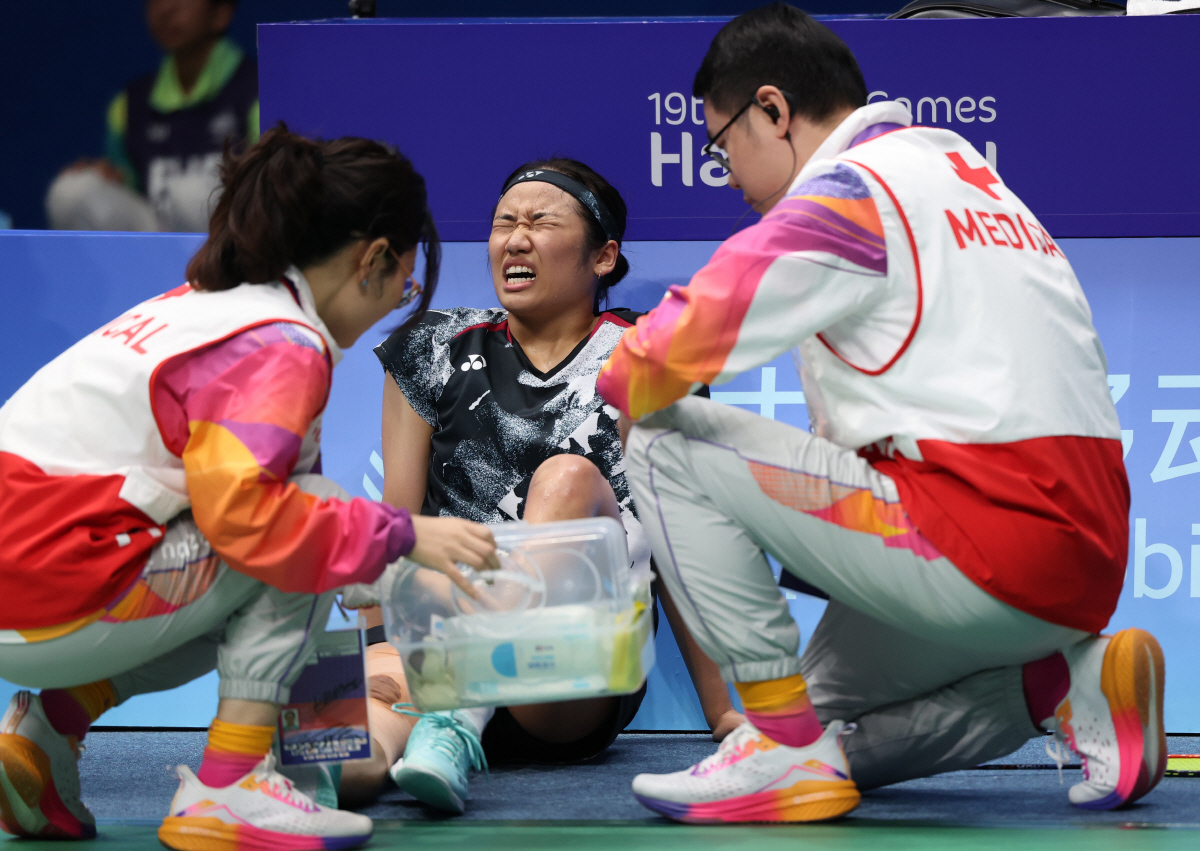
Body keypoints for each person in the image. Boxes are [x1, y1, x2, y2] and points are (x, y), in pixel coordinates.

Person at [597, 4, 1165, 824]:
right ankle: (1065, 683)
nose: (728, 177)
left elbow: (668, 347)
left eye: (722, 148)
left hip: (972, 538)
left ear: (772, 110)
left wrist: (624, 382)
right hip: (1081, 567)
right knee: (823, 723)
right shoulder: (968, 178)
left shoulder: (854, 190)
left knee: (662, 438)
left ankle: (781, 747)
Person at [0, 125, 500, 850]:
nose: (400, 298)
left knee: (296, 547)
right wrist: (406, 535)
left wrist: (387, 568)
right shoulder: (279, 344)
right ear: (372, 260)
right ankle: (229, 788)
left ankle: (44, 735)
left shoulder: (205, 308)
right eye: (406, 284)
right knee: (310, 526)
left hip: (38, 580)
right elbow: (253, 519)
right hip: (48, 581)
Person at [338, 158, 743, 812]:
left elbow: (678, 538)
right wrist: (382, 654)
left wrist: (726, 712)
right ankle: (381, 747)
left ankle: (458, 719)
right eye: (504, 223)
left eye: (541, 222)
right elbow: (398, 524)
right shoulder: (433, 347)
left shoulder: (646, 355)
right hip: (437, 652)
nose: (515, 239)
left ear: (603, 256)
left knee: (566, 478)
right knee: (343, 760)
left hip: (566, 674)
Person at [45, 0, 257, 233]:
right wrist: (109, 177)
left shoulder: (260, 91)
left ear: (222, 12)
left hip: (242, 240)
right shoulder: (129, 103)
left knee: (193, 194)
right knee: (72, 191)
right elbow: (126, 184)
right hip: (156, 238)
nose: (166, 9)